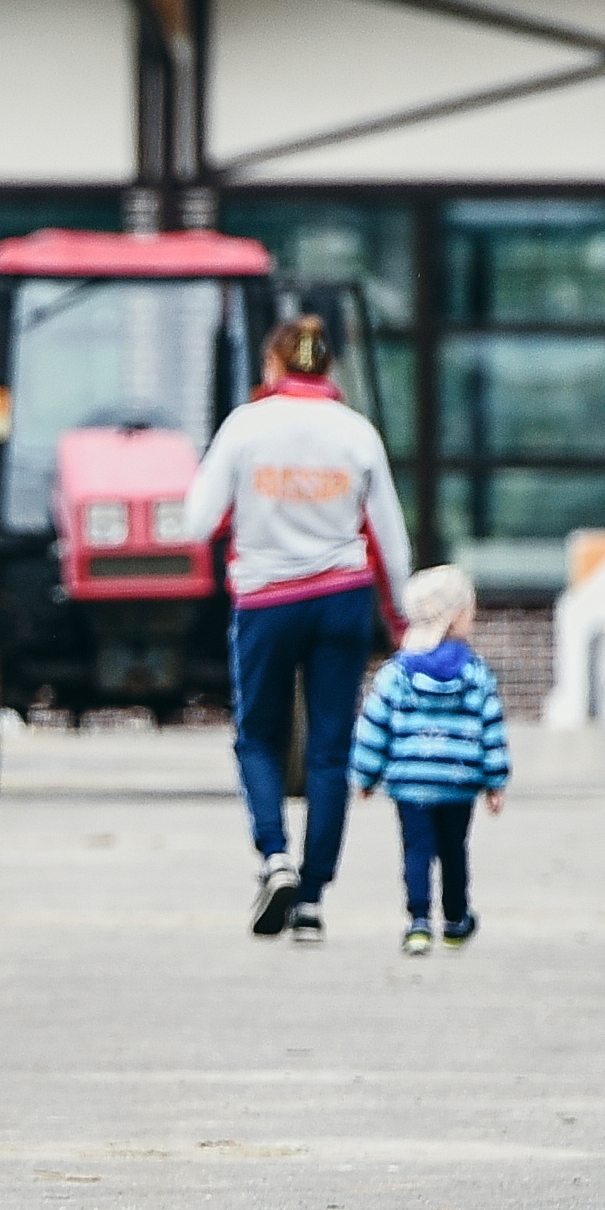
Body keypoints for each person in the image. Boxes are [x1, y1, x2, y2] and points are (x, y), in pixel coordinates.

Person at [182, 313, 413, 945]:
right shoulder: (357, 432)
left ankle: (275, 856)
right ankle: (312, 900)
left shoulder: (245, 426)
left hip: (266, 601)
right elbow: (389, 538)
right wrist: (402, 618)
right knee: (330, 751)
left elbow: (197, 522)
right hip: (343, 599)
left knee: (259, 737)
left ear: (274, 364)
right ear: (328, 366)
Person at [351, 565, 510, 956]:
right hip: (458, 781)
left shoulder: (396, 674)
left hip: (410, 782)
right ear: (454, 617)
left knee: (416, 849)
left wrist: (366, 776)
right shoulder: (475, 673)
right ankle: (455, 920)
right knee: (454, 849)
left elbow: (374, 726)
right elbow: (491, 728)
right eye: (469, 612)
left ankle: (418, 922)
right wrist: (495, 781)